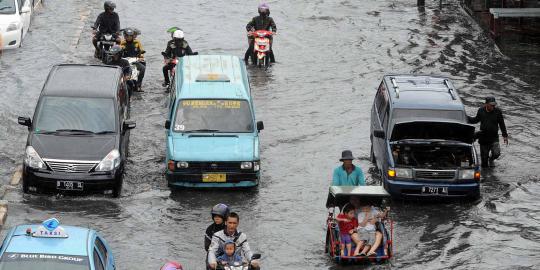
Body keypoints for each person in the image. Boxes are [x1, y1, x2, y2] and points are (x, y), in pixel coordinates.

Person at [468, 96, 508, 168]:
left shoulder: (498, 111)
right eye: (491, 105)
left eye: (494, 105)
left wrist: (505, 136)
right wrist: (466, 117)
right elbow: (475, 120)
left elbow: (502, 124)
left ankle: (491, 159)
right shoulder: (481, 110)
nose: (493, 106)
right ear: (486, 104)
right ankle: (485, 177)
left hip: (494, 138)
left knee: (496, 153)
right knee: (484, 164)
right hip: (483, 138)